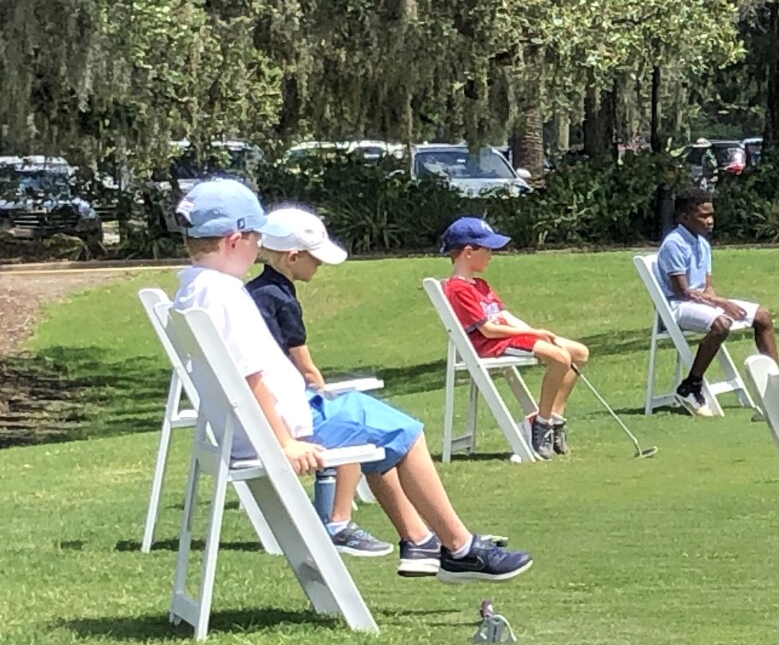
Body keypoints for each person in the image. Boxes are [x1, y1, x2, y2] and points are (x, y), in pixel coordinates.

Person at [171, 179, 531, 582]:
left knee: (382, 430)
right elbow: (248, 378)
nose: (258, 247)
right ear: (235, 240)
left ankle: (419, 539)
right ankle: (461, 548)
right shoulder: (226, 296)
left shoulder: (193, 289)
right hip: (292, 426)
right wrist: (285, 443)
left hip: (265, 425)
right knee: (407, 432)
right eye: (255, 237)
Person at [244, 206, 391, 558]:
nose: (319, 266)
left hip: (260, 405)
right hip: (283, 410)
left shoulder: (252, 292)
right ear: (293, 257)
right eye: (316, 260)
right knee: (353, 426)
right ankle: (338, 521)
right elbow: (302, 361)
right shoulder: (283, 300)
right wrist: (320, 386)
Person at [441, 217, 590, 460]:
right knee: (561, 358)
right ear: (468, 252)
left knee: (579, 352)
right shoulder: (459, 288)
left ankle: (554, 419)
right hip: (491, 345)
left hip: (506, 338)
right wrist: (532, 334)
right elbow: (488, 330)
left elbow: (504, 316)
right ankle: (540, 425)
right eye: (487, 249)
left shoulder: (480, 284)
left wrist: (538, 332)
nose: (491, 254)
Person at [656, 188, 778, 416]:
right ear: (684, 217)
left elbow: (706, 286)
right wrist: (720, 304)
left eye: (711, 214)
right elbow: (683, 291)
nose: (710, 221)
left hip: (700, 302)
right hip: (677, 307)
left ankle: (775, 386)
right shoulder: (674, 244)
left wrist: (716, 302)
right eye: (703, 215)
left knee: (762, 315)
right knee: (721, 324)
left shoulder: (702, 243)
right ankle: (691, 385)